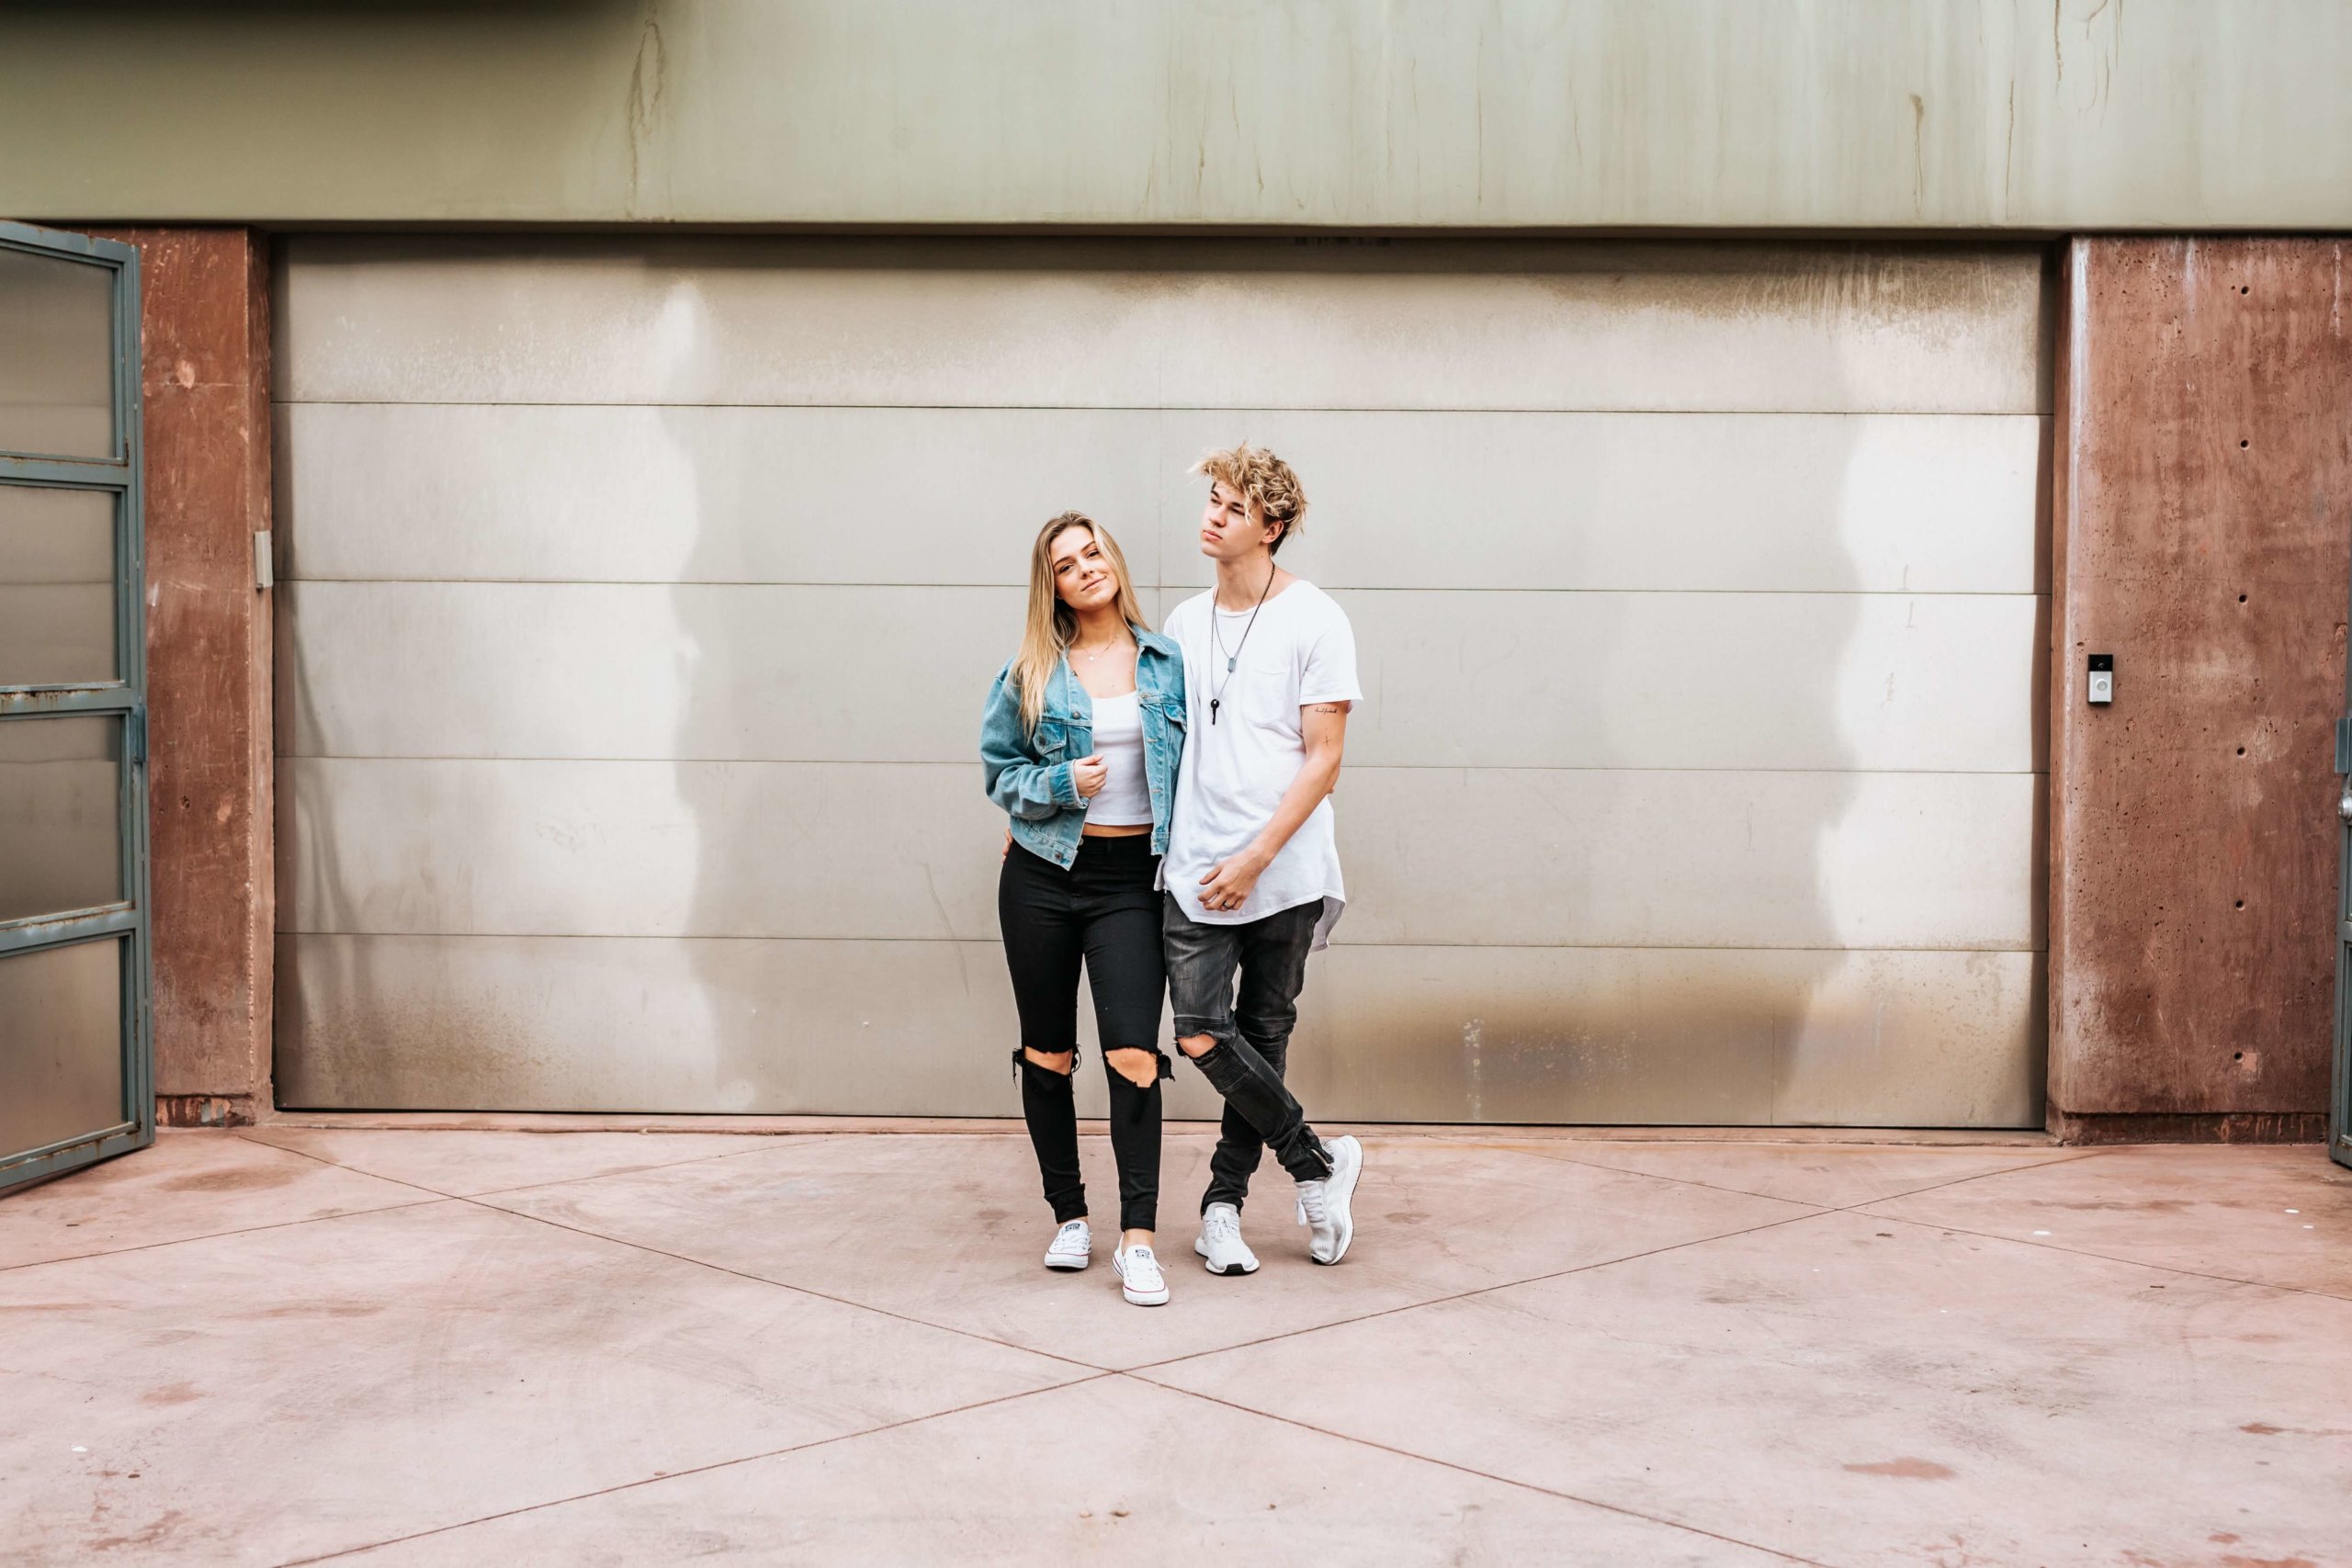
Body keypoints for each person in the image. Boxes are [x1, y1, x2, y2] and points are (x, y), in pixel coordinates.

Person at [1160, 443, 1366, 1271]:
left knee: (1264, 1034)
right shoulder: (1180, 622)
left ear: (1271, 528)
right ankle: (1315, 1161)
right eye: (1211, 499)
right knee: (1204, 1033)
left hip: (1284, 868)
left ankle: (1221, 1207)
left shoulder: (1316, 618)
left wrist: (1257, 856)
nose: (1212, 516)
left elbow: (1325, 756)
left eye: (1233, 508)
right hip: (1193, 865)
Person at [980, 512, 1186, 1307]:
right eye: (1067, 564)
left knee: (1134, 1053)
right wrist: (1063, 784)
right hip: (1042, 875)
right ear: (1054, 586)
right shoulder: (1030, 671)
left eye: (1093, 551)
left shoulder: (1169, 662)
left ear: (1114, 560)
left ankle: (1138, 1240)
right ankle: (1069, 1214)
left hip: (1131, 879)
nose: (1085, 567)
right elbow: (1000, 774)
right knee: (1048, 1054)